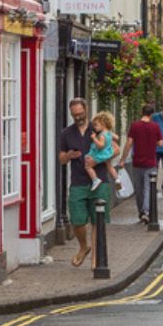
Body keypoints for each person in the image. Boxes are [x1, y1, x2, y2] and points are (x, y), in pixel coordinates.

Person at [58, 99, 108, 267]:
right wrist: (68, 156)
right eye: (74, 115)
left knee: (97, 220)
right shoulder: (66, 133)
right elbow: (61, 159)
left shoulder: (98, 128)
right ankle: (83, 247)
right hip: (78, 182)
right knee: (77, 220)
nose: (78, 117)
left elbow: (114, 149)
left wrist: (97, 160)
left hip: (99, 181)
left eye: (80, 114)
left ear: (86, 110)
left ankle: (95, 259)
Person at [126, 104, 163, 223]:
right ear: (151, 114)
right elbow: (161, 143)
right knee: (148, 188)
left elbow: (129, 143)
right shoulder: (155, 126)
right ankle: (146, 212)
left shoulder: (135, 126)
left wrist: (122, 160)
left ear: (142, 112)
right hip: (151, 162)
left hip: (137, 162)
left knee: (139, 189)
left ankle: (141, 211)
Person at [86, 112, 119, 189]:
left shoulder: (101, 136)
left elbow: (101, 146)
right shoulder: (109, 133)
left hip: (101, 154)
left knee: (88, 166)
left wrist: (94, 138)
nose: (94, 127)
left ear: (103, 124)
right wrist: (111, 134)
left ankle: (95, 179)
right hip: (108, 153)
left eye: (96, 125)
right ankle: (117, 179)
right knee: (110, 166)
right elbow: (117, 138)